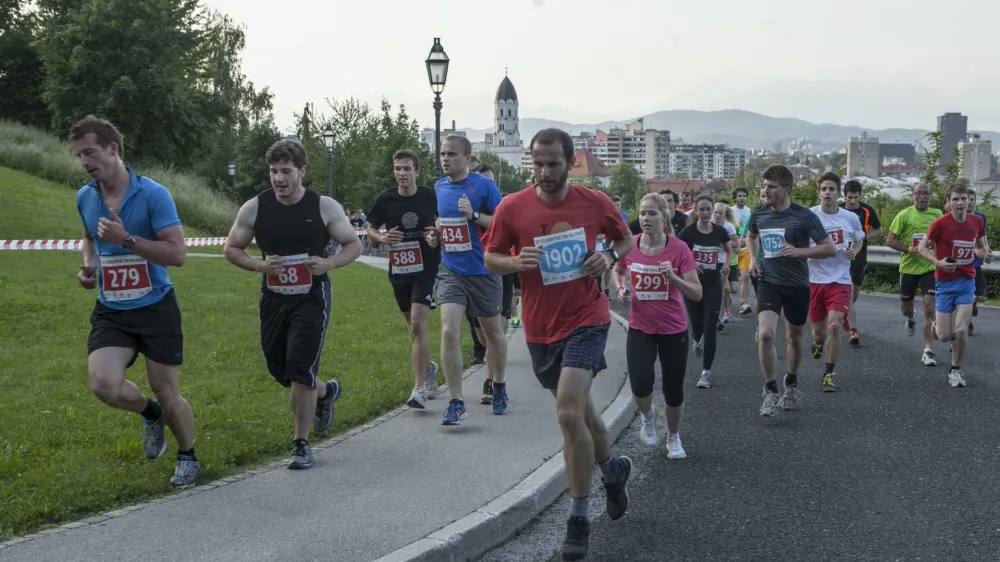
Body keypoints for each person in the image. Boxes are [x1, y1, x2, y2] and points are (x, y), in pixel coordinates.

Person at [482, 128, 633, 561]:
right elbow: (490, 257)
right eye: (538, 164)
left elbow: (623, 239)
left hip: (587, 318)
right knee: (581, 415)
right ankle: (613, 469)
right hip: (539, 326)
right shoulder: (513, 207)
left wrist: (610, 257)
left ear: (569, 162)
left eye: (553, 164)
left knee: (567, 412)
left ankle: (578, 518)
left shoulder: (594, 202)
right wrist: (514, 261)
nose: (545, 172)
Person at [72, 115, 201, 487]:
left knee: (167, 388)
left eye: (90, 152)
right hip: (112, 308)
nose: (84, 161)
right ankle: (150, 413)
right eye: (79, 155)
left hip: (156, 305)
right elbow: (90, 239)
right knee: (103, 384)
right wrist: (88, 267)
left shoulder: (153, 194)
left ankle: (188, 456)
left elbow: (177, 255)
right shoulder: (86, 196)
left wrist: (127, 239)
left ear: (113, 149)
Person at [223, 139, 360, 469]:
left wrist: (329, 264)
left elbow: (353, 244)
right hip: (274, 298)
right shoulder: (255, 207)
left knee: (300, 366)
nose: (279, 178)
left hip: (312, 298)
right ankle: (325, 392)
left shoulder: (323, 206)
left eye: (286, 171)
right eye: (273, 171)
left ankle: (300, 443)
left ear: (302, 171)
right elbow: (231, 248)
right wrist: (259, 265)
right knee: (279, 368)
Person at [614, 193, 701, 453]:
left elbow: (696, 293)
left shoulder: (678, 248)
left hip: (673, 329)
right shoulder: (630, 245)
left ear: (664, 216)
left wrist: (673, 278)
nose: (646, 218)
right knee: (640, 382)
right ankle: (648, 417)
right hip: (640, 327)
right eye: (642, 213)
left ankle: (673, 436)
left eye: (652, 213)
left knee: (673, 390)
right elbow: (617, 271)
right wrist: (620, 289)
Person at [747, 165, 835, 416]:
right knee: (765, 334)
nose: (765, 190)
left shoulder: (804, 216)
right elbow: (751, 237)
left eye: (771, 186)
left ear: (786, 189)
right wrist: (754, 260)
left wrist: (800, 252)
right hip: (769, 282)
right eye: (764, 185)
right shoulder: (759, 213)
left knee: (795, 338)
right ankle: (770, 390)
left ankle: (792, 381)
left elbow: (829, 248)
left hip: (797, 284)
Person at [434, 135, 508, 422]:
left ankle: (499, 384)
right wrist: (435, 235)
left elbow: (503, 223)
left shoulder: (484, 186)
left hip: (484, 271)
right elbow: (444, 226)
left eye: (451, 154)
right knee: (449, 331)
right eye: (442, 154)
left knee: (492, 334)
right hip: (451, 269)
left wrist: (474, 214)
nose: (445, 159)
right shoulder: (439, 187)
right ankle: (455, 400)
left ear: (466, 158)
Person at [365, 149, 441, 409]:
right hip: (399, 269)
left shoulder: (430, 196)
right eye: (398, 168)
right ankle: (428, 367)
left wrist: (435, 236)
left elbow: (441, 223)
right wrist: (382, 238)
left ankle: (418, 389)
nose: (402, 174)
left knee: (419, 326)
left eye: (407, 169)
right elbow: (370, 228)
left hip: (425, 267)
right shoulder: (385, 199)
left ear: (416, 172)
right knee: (413, 328)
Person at [918, 183, 989, 387]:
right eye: (956, 199)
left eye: (963, 199)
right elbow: (922, 248)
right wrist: (937, 263)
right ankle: (936, 326)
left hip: (967, 281)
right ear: (949, 202)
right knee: (944, 335)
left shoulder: (977, 221)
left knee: (961, 329)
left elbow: (981, 247)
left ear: (969, 201)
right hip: (944, 283)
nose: (960, 203)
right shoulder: (940, 223)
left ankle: (955, 370)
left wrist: (984, 254)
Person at [807, 173, 865, 391]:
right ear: (819, 192)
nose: (827, 193)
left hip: (840, 280)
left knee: (834, 325)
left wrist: (854, 251)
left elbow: (859, 239)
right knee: (819, 333)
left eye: (832, 189)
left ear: (838, 193)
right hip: (815, 280)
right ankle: (817, 343)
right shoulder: (810, 216)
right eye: (824, 189)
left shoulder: (849, 218)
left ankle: (829, 374)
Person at [677, 194, 733, 389]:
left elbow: (728, 250)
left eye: (708, 209)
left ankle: (706, 372)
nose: (706, 213)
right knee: (697, 326)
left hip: (712, 283)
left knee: (710, 327)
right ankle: (697, 338)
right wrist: (690, 265)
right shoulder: (687, 233)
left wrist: (726, 265)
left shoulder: (720, 231)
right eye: (701, 209)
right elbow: (678, 254)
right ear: (695, 211)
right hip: (692, 284)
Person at [885, 183, 942, 366]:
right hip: (909, 268)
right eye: (918, 193)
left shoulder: (937, 215)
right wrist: (910, 249)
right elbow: (890, 241)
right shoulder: (904, 215)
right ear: (913, 196)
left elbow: (945, 237)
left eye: (926, 193)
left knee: (929, 307)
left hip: (930, 267)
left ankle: (927, 350)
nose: (922, 197)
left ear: (930, 196)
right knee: (906, 308)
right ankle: (911, 318)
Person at [714, 202, 741, 325]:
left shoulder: (728, 226)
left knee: (732, 289)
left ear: (725, 215)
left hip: (726, 260)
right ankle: (726, 313)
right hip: (713, 262)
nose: (717, 215)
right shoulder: (708, 225)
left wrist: (724, 244)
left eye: (720, 213)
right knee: (723, 288)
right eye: (715, 212)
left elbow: (736, 243)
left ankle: (725, 304)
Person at [968, 190, 990, 334]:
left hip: (976, 262)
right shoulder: (955, 218)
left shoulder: (981, 217)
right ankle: (967, 324)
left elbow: (983, 236)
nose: (969, 202)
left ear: (975, 202)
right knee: (964, 295)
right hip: (963, 263)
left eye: (972, 199)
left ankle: (974, 301)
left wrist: (986, 250)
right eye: (967, 199)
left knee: (981, 296)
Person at [732, 187, 755, 316]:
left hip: (745, 247)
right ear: (735, 198)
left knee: (745, 276)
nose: (742, 198)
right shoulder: (730, 211)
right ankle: (725, 297)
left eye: (744, 196)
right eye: (739, 196)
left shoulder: (749, 212)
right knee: (729, 284)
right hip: (732, 248)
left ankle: (743, 303)